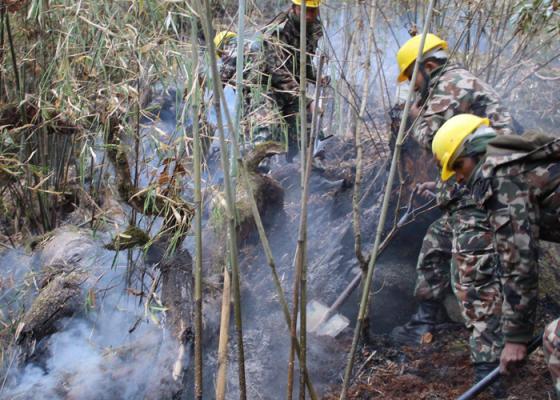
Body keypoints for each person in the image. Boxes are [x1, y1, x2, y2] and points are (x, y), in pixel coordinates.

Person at [390, 33, 516, 395]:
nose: (412, 87)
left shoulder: (452, 83)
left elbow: (435, 137)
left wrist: (414, 116)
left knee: (473, 276)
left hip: (499, 189)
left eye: (411, 77)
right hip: (480, 182)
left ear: (427, 67)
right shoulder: (451, 81)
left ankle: (489, 374)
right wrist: (444, 189)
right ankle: (427, 319)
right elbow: (461, 156)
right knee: (436, 240)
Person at [431, 113, 560, 398]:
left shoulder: (500, 174)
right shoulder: (513, 158)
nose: (460, 178)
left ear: (473, 152)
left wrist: (515, 339)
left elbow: (518, 261)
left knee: (556, 341)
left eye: (458, 166)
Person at [217, 0, 323, 162]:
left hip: (289, 89)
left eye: (312, 11)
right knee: (265, 131)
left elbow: (303, 61)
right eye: (305, 10)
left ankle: (311, 174)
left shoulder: (314, 29)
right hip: (264, 88)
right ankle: (256, 175)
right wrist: (306, 99)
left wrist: (316, 77)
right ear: (294, 8)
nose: (309, 16)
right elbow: (277, 71)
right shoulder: (276, 32)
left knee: (307, 126)